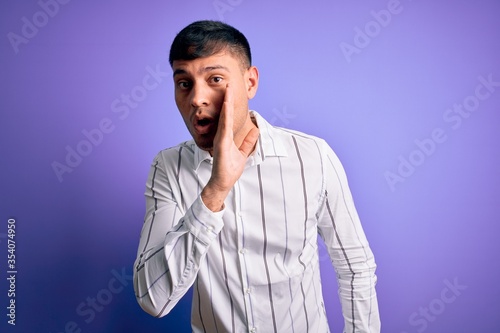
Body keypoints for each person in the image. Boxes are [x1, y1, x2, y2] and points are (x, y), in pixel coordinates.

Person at [133, 20, 380, 333]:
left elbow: (355, 266)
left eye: (215, 79)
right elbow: (152, 299)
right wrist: (215, 191)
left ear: (250, 83)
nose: (197, 99)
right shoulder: (167, 167)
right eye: (184, 83)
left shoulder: (312, 156)